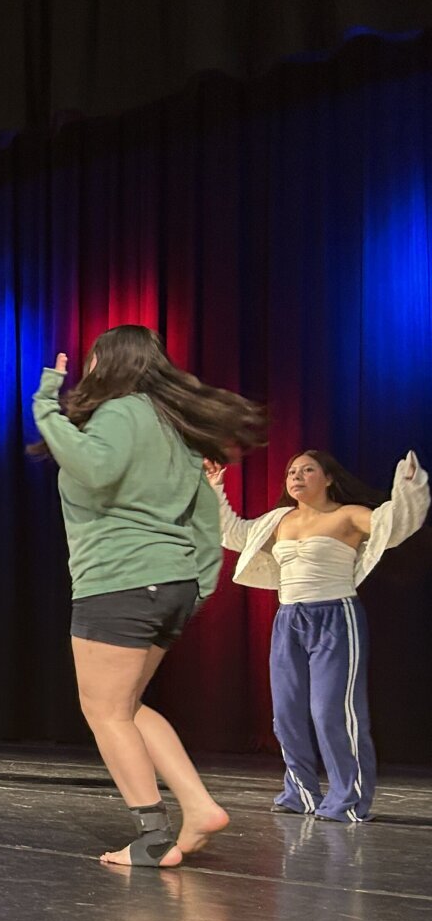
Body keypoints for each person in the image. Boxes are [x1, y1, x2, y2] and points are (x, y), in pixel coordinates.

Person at [31, 325, 264, 867]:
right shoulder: (175, 427)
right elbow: (204, 518)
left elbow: (92, 467)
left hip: (120, 580)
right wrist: (198, 586)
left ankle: (153, 837)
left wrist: (45, 404)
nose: (87, 369)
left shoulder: (120, 413)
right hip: (169, 584)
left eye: (93, 360)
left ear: (110, 363)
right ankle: (199, 806)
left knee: (103, 711)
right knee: (127, 706)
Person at [210, 449, 426, 821]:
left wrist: (408, 487)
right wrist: (215, 488)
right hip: (289, 619)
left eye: (308, 470)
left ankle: (348, 800)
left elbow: (395, 525)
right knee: (286, 714)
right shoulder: (279, 520)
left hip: (335, 617)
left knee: (332, 713)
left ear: (328, 478)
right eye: (292, 471)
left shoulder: (348, 515)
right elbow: (233, 533)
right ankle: (301, 793)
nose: (296, 476)